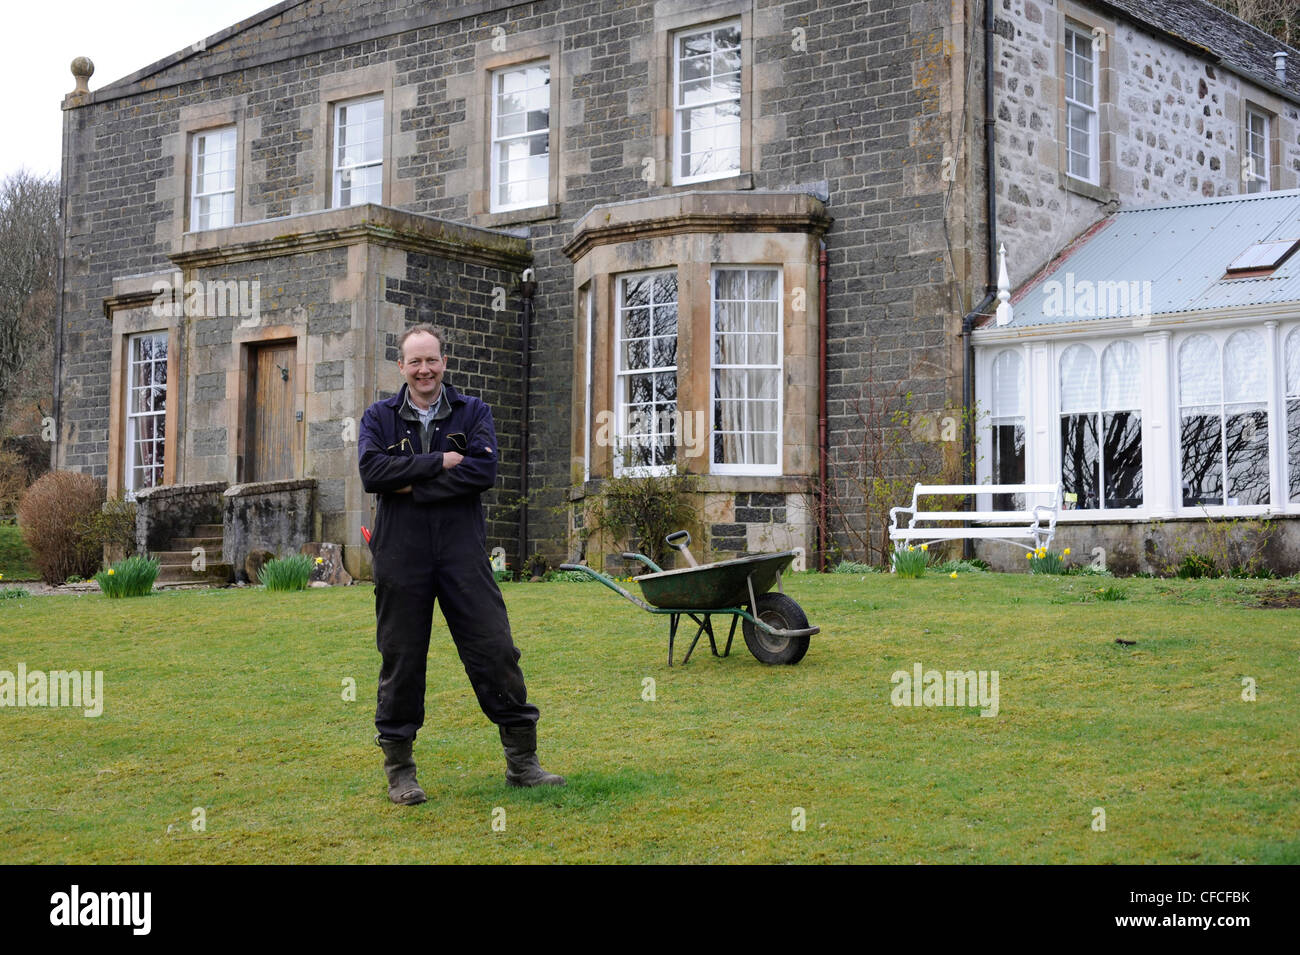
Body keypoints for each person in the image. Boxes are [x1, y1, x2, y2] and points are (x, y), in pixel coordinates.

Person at [357, 324, 564, 805]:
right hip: (400, 555)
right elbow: (372, 473)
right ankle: (401, 773)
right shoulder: (379, 417)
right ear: (402, 367)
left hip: (461, 553)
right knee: (402, 658)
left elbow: (483, 471)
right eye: (415, 362)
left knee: (496, 651)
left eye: (432, 360)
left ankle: (522, 763)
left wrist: (408, 482)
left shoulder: (474, 412)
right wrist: (440, 462)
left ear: (444, 363)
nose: (424, 369)